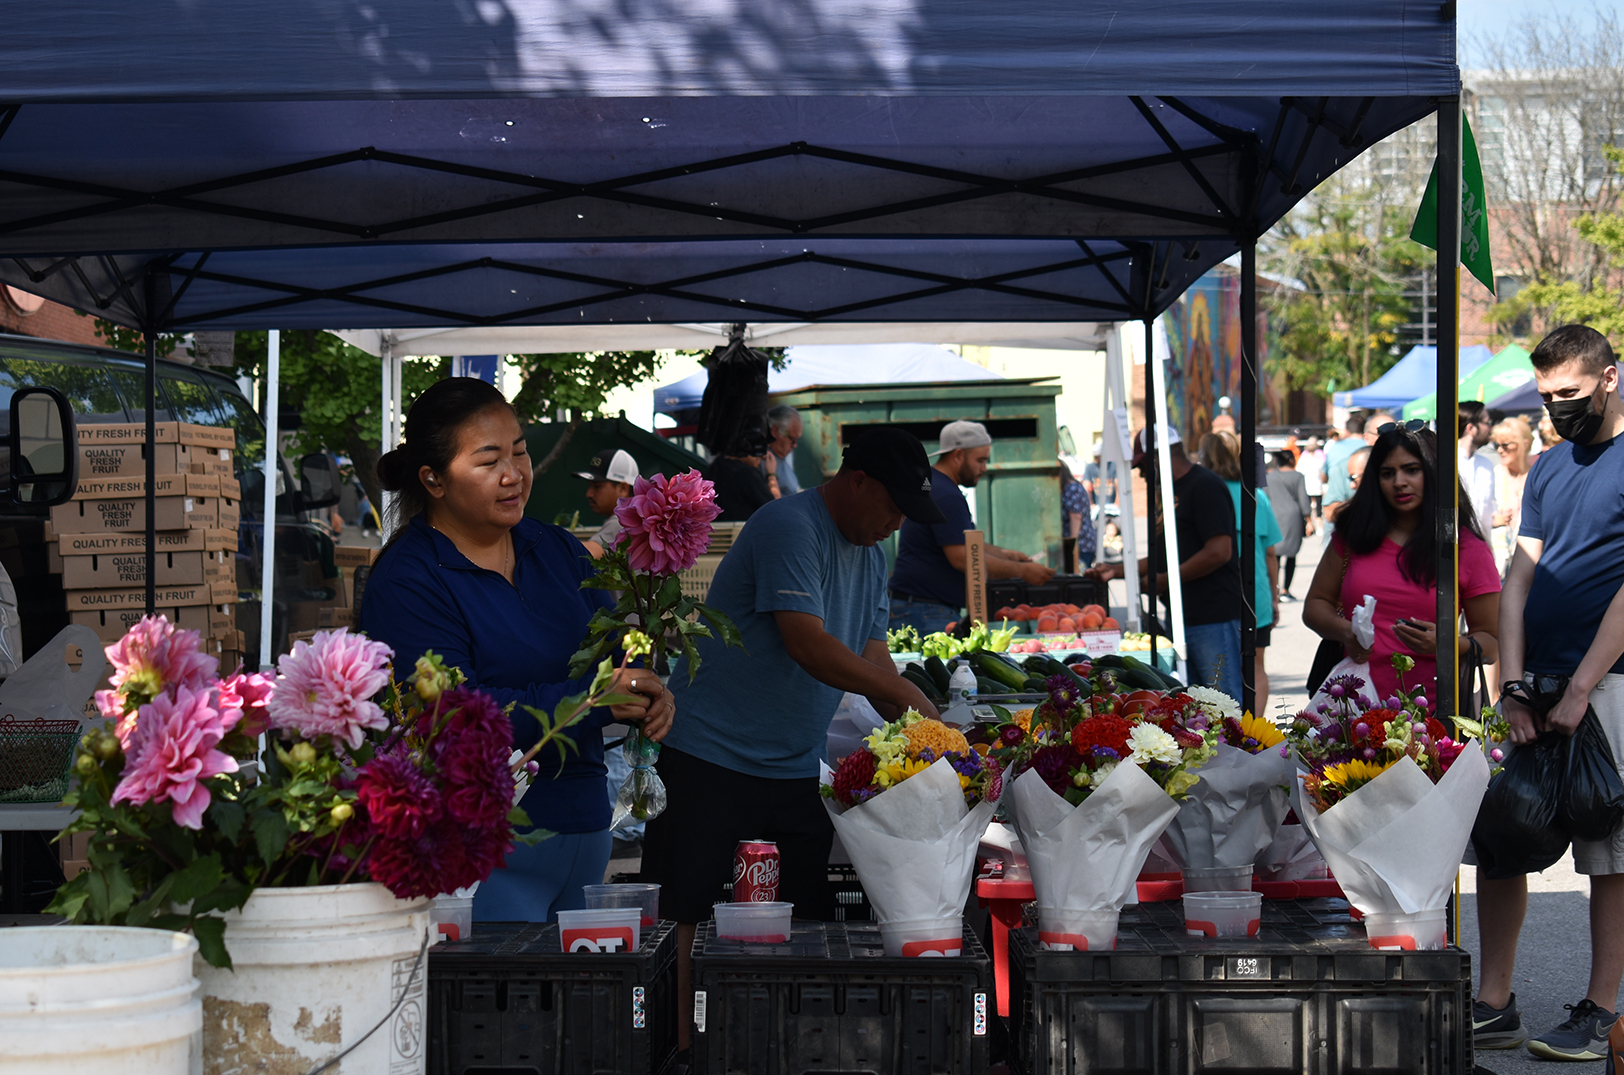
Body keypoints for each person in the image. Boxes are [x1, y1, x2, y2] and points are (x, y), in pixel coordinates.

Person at [639, 427, 948, 1054]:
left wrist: (926, 735)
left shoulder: (871, 553)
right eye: (891, 507)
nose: (894, 526)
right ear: (856, 480)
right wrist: (913, 699)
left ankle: (775, 1047)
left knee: (797, 918)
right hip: (708, 754)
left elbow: (871, 655)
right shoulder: (789, 525)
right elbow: (808, 645)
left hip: (791, 768)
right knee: (687, 911)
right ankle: (681, 1052)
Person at [358, 378, 675, 923]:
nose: (514, 475)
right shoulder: (409, 578)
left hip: (585, 829)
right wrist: (590, 700)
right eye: (488, 461)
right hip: (484, 848)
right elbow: (450, 716)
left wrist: (644, 686)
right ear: (433, 479)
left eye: (520, 452)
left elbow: (611, 653)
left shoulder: (554, 550)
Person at [1474, 324, 1624, 1062]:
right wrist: (1512, 683)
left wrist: (1584, 687)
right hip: (1537, 684)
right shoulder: (1548, 466)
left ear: (1608, 378)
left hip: (1611, 684)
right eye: (1546, 396)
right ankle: (1494, 1001)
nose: (1556, 407)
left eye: (1568, 393)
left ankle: (1600, 1009)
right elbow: (1519, 577)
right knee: (1503, 830)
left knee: (1609, 848)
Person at [1301, 425, 1500, 709]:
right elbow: (1315, 605)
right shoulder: (1353, 535)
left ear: (1433, 472)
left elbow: (1491, 643)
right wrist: (1345, 631)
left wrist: (1447, 643)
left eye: (1411, 470)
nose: (1399, 482)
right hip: (1351, 714)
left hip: (1432, 720)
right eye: (1387, 473)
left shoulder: (1466, 548)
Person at [1086, 426, 1243, 700]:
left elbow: (1220, 550)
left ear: (1158, 457)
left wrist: (1165, 579)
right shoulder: (1168, 493)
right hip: (1183, 615)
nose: (1141, 474)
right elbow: (1165, 555)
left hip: (1212, 616)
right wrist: (1118, 571)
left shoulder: (1204, 486)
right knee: (1195, 703)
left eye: (1143, 465)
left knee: (1222, 701)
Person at [887, 420, 1055, 634]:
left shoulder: (935, 484)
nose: (984, 468)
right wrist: (1022, 571)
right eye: (981, 460)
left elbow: (963, 542)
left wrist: (1007, 555)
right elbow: (962, 557)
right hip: (926, 611)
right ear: (957, 455)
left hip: (919, 607)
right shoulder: (946, 494)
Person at [1198, 433, 1283, 714]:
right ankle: (1254, 730)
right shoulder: (1255, 495)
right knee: (1257, 666)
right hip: (1255, 592)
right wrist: (1274, 595)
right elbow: (1270, 553)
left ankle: (1227, 729)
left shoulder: (1207, 493)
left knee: (1220, 670)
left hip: (1219, 593)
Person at [1489, 416, 1534, 578]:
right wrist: (1492, 521)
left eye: (1506, 445)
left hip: (1529, 565)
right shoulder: (1493, 475)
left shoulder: (1536, 477)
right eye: (1497, 445)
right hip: (1497, 566)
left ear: (1525, 444)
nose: (1500, 450)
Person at [575, 447, 639, 559]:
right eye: (589, 486)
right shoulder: (640, 517)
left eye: (597, 486)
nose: (589, 494)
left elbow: (583, 557)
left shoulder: (622, 523)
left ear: (623, 488)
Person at [1267, 449, 1312, 600]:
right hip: (1293, 517)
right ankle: (1286, 589)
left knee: (1275, 554)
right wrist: (1309, 520)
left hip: (1274, 516)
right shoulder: (1297, 476)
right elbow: (1303, 500)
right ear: (1292, 460)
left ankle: (1275, 589)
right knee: (1291, 554)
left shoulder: (1270, 477)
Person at [707, 427, 775, 521]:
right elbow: (774, 510)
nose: (763, 456)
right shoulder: (747, 474)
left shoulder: (714, 468)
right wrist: (771, 475)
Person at [1458, 400, 1497, 540]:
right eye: (1487, 422)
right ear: (1471, 428)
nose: (1490, 428)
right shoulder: (1446, 462)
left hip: (1481, 547)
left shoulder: (1486, 464)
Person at [1061, 460, 1095, 572]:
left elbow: (1076, 517)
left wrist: (1072, 547)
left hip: (1081, 545)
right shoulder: (1071, 487)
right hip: (1083, 543)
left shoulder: (1071, 489)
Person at [764, 405, 803, 496]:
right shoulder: (765, 461)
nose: (795, 445)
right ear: (775, 431)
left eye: (797, 440)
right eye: (792, 439)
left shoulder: (781, 458)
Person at [1296, 436, 1325, 519]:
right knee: (1317, 507)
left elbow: (1299, 470)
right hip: (1315, 484)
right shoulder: (1316, 458)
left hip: (1310, 485)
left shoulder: (1306, 458)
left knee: (1310, 506)